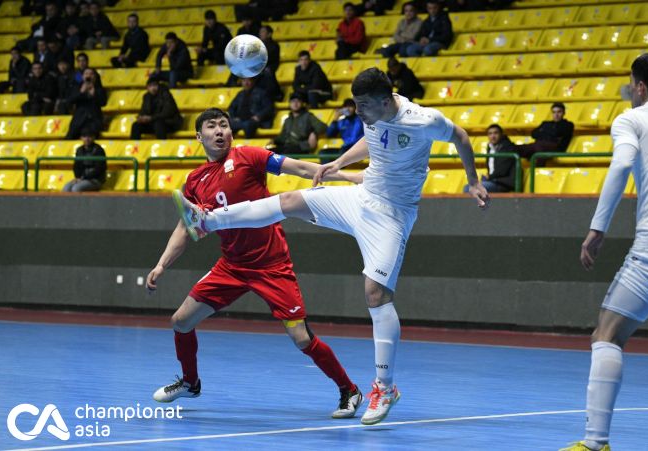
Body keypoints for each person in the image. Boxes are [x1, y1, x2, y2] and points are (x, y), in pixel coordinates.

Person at [172, 68, 489, 425]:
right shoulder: (374, 112)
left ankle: (384, 387)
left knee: (375, 295)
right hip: (361, 197)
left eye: (364, 106)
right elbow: (375, 135)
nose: (359, 112)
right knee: (290, 200)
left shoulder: (423, 120)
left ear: (386, 101)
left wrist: (473, 181)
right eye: (356, 105)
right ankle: (209, 220)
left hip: (392, 214)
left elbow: (461, 136)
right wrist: (339, 162)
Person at [148, 107, 364, 420]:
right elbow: (186, 227)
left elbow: (301, 168)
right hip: (231, 266)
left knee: (301, 338)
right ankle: (191, 382)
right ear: (199, 136)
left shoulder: (249, 156)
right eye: (212, 126)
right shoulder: (195, 181)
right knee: (181, 321)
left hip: (271, 265)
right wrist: (161, 265)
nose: (220, 130)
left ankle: (349, 389)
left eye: (224, 124)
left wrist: (348, 176)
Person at [562, 52, 648, 451]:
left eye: (631, 83)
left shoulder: (632, 119)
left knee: (607, 335)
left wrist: (597, 228)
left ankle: (595, 443)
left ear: (640, 87)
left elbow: (621, 165)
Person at [463, 124, 516, 193]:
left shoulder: (508, 148)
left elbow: (502, 170)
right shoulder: (490, 148)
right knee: (468, 187)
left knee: (468, 188)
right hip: (493, 181)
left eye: (495, 133)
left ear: (501, 134)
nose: (493, 136)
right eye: (490, 134)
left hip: (503, 183)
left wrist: (489, 177)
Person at [130, 76, 183, 140]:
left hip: (170, 123)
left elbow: (168, 112)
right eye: (150, 86)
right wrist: (141, 117)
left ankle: (162, 147)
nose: (153, 88)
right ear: (147, 88)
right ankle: (136, 147)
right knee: (136, 125)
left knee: (158, 123)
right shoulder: (146, 97)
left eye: (154, 85)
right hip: (154, 122)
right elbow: (144, 110)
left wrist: (151, 118)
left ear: (159, 85)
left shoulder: (166, 94)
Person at [65, 67, 107, 140]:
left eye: (91, 74)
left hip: (94, 118)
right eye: (86, 74)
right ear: (83, 76)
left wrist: (94, 94)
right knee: (70, 136)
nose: (88, 76)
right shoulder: (77, 88)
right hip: (79, 118)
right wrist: (81, 92)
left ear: (95, 77)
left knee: (88, 133)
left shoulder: (99, 89)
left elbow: (103, 103)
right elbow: (70, 101)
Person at [319, 98, 364, 164]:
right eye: (346, 107)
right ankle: (328, 172)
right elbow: (329, 134)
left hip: (358, 148)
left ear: (355, 108)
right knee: (323, 152)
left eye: (350, 106)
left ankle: (336, 171)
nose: (348, 109)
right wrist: (335, 120)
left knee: (343, 152)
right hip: (345, 149)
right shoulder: (341, 121)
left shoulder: (361, 119)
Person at [62, 128, 107, 192]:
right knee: (66, 188)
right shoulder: (79, 150)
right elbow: (76, 166)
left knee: (76, 189)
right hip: (82, 178)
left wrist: (83, 178)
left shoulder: (99, 150)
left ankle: (79, 202)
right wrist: (78, 177)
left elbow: (99, 169)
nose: (87, 139)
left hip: (96, 180)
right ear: (81, 138)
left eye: (89, 136)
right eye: (84, 136)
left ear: (94, 137)